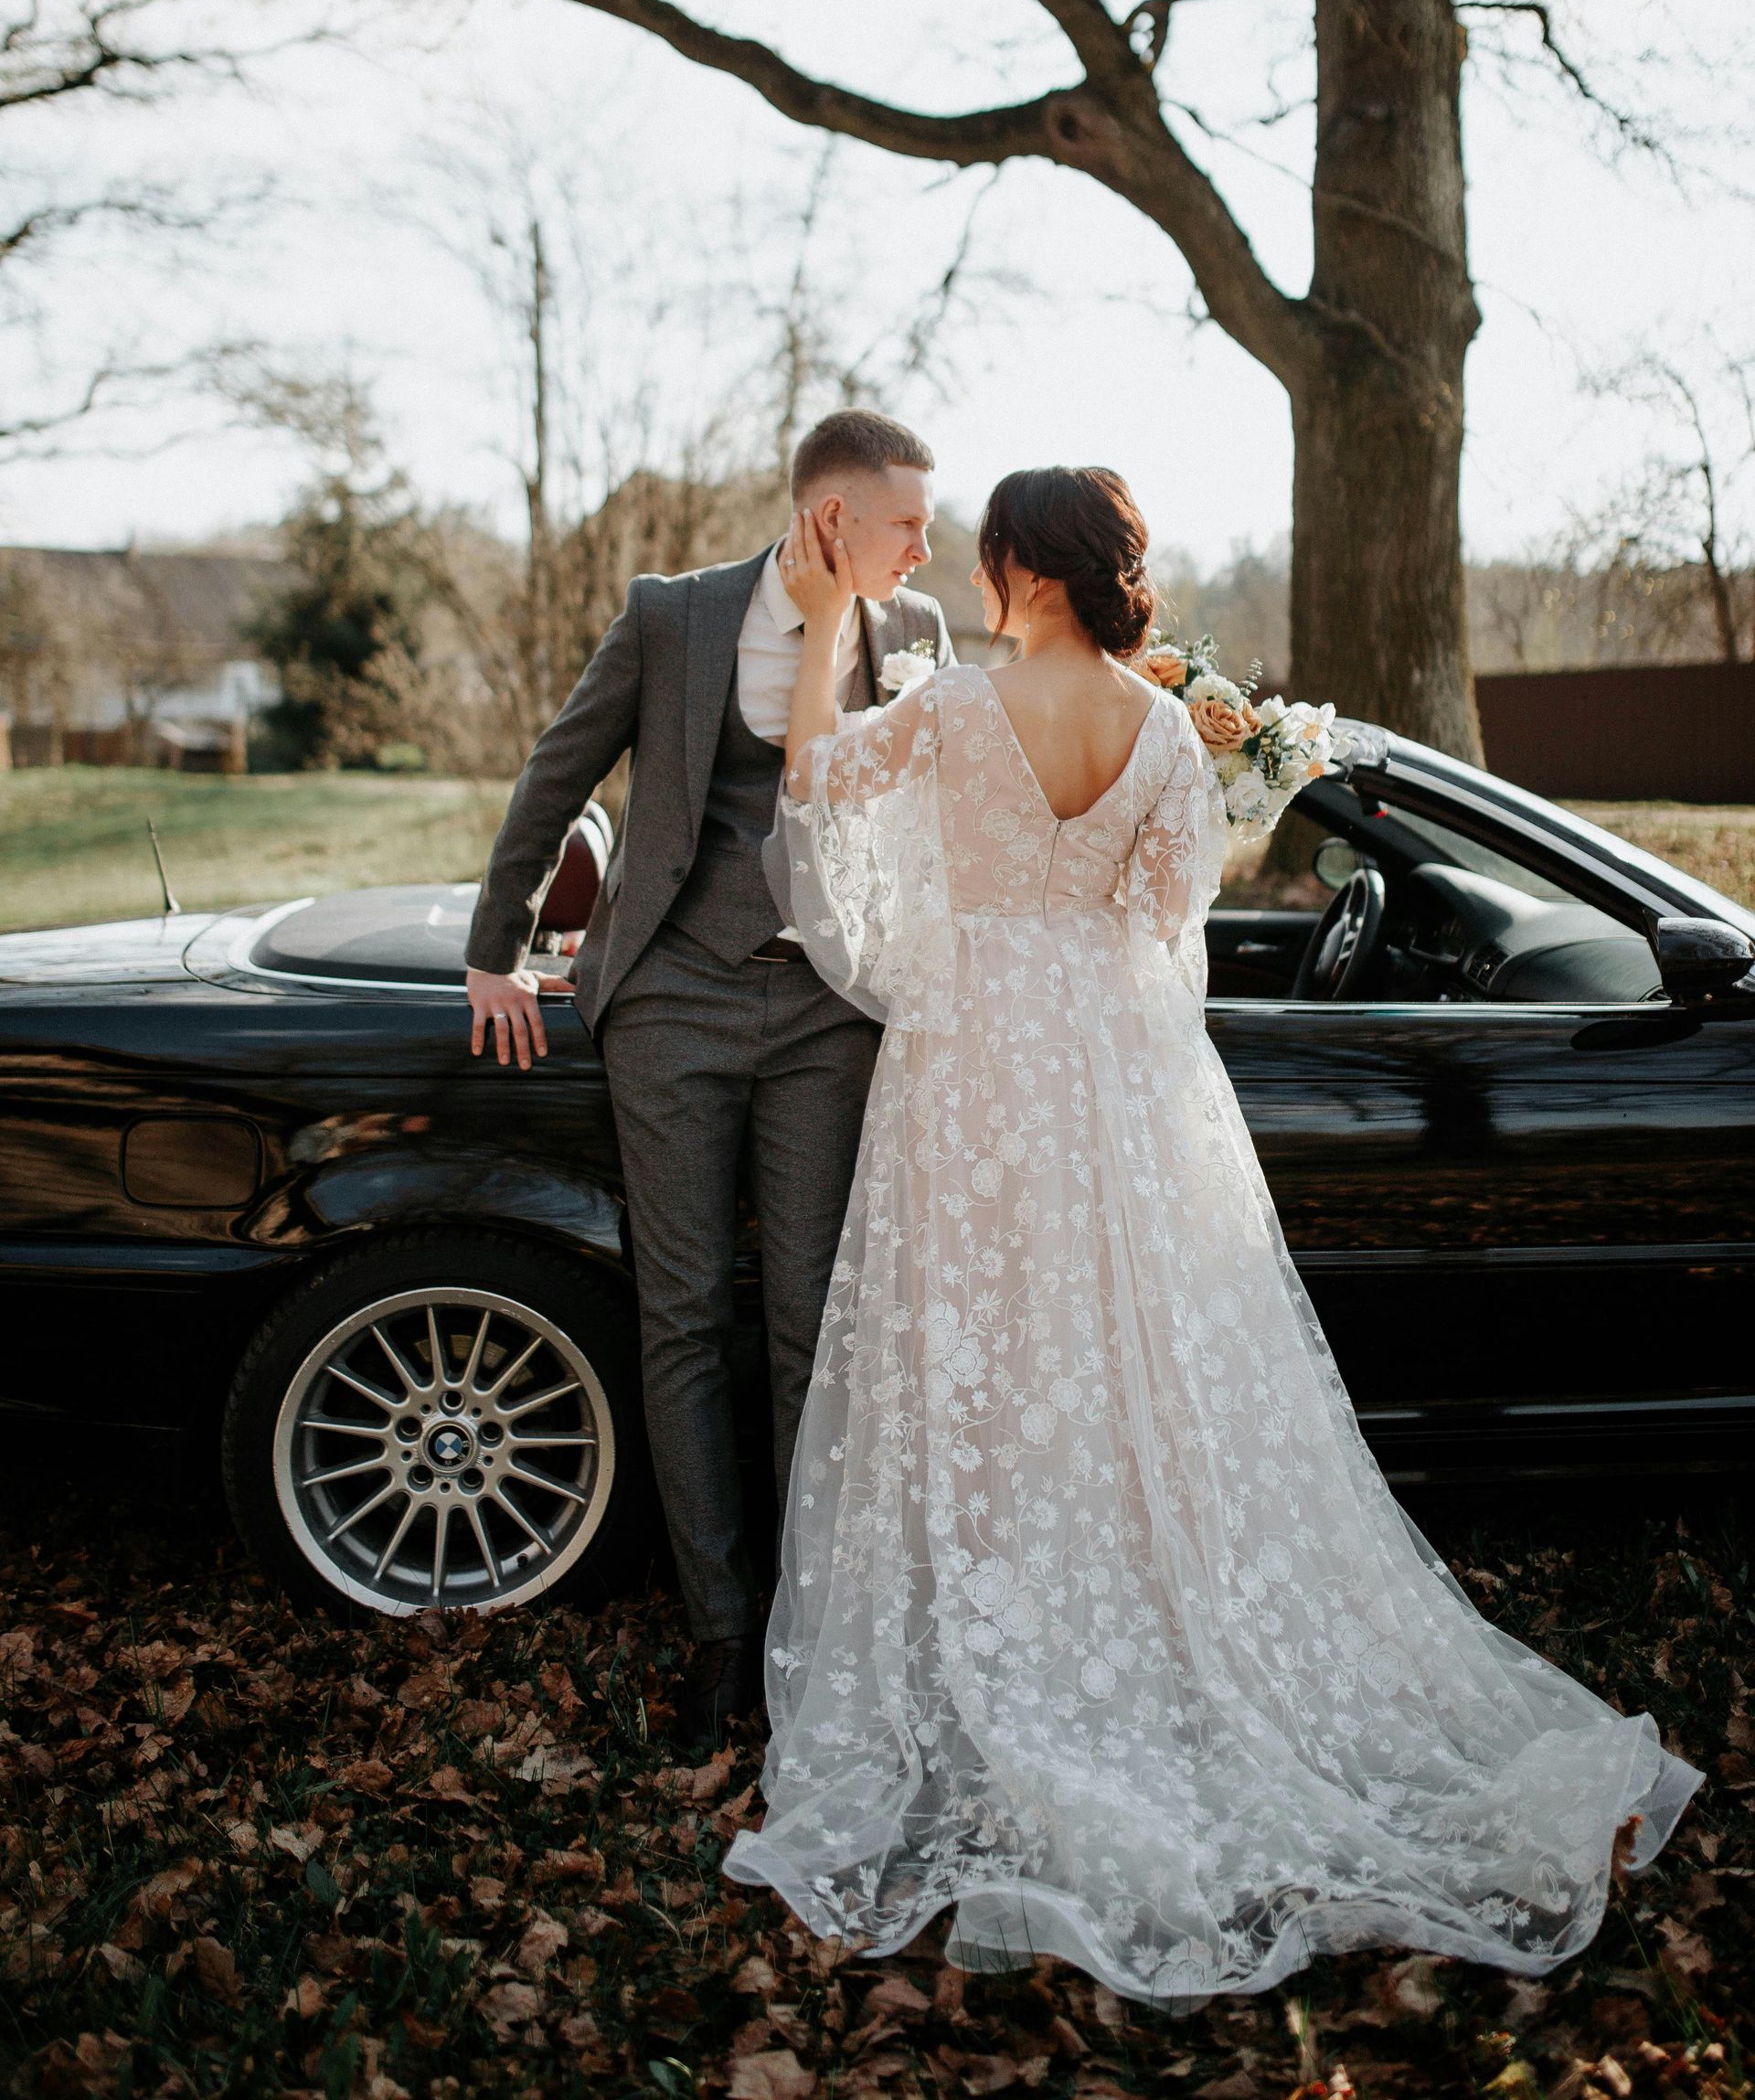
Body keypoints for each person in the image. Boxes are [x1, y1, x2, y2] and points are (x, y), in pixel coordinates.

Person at [724, 464, 1698, 2004]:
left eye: (989, 558)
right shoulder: (1170, 729)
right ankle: (1142, 1614)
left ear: (1025, 574)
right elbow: (1167, 925)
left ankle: (1001, 1638)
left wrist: (834, 605)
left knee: (981, 1344)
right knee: (1129, 1355)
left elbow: (813, 792)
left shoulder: (952, 710)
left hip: (972, 1068)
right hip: (1113, 1072)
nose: (976, 577)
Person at [463, 410, 953, 1743]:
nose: (928, 544)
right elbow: (557, 767)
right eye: (908, 521)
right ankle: (722, 1632)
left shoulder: (915, 642)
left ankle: (812, 1625)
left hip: (826, 1011)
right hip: (669, 999)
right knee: (681, 1314)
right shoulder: (673, 615)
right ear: (834, 518)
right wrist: (494, 951)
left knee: (811, 1323)